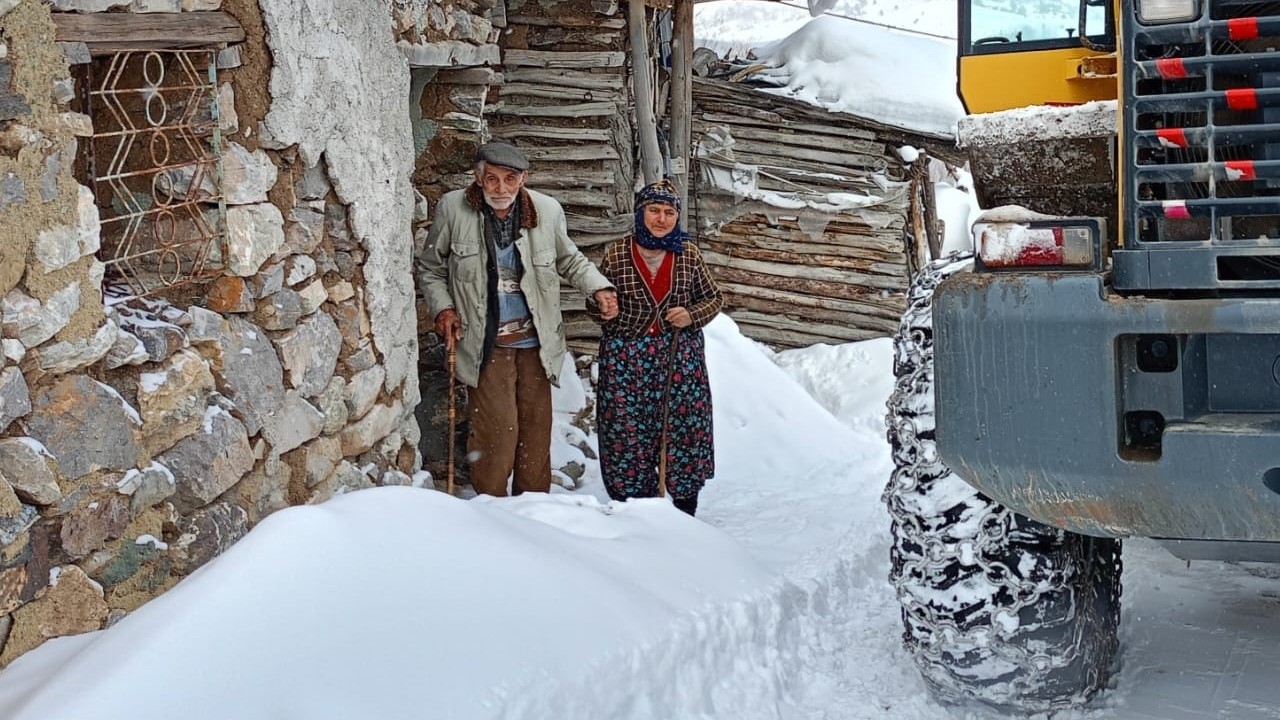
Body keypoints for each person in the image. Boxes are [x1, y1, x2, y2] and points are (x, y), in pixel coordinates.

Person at [418, 141, 619, 497]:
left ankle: (532, 508)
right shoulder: (454, 209)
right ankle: (492, 509)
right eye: (491, 180)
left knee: (535, 431)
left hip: (537, 343)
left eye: (510, 180)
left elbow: (569, 260)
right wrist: (443, 308)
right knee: (497, 431)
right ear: (478, 178)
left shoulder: (546, 210)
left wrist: (599, 289)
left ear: (523, 179)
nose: (500, 189)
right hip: (485, 342)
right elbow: (432, 269)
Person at [589, 179, 723, 516]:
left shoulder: (687, 254)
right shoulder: (618, 254)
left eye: (668, 212)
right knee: (627, 432)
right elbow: (596, 301)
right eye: (653, 210)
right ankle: (635, 511)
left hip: (678, 358)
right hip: (626, 360)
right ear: (640, 213)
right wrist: (603, 307)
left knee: (683, 430)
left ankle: (682, 511)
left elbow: (714, 298)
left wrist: (691, 314)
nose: (661, 219)